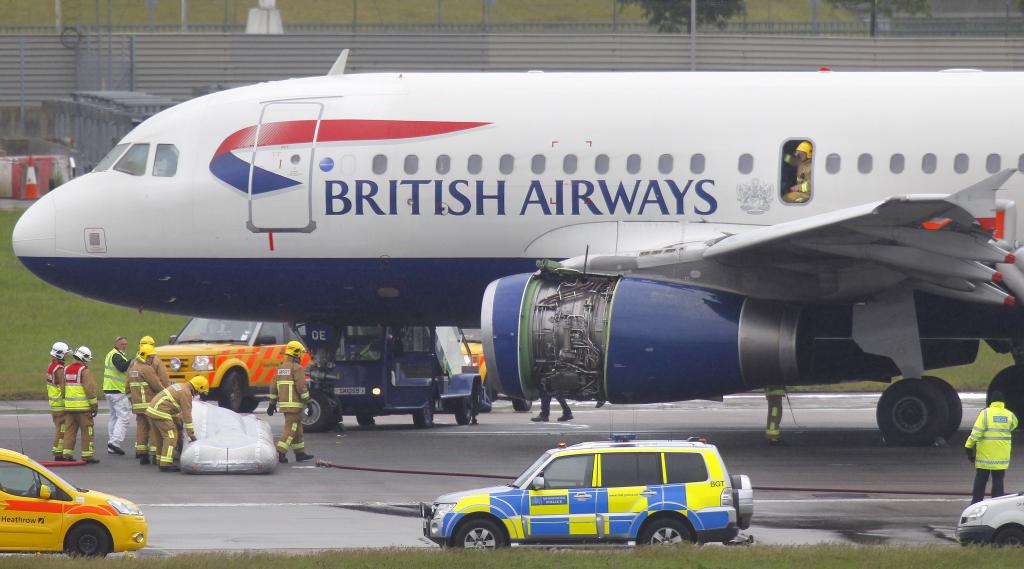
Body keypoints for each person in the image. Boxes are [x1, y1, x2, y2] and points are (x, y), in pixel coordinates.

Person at [146, 376, 208, 472]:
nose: (198, 394)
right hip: (161, 411)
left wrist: (177, 422)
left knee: (160, 436)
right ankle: (166, 464)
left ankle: (160, 460)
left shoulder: (181, 386)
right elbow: (187, 415)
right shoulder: (186, 393)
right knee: (171, 435)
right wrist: (191, 434)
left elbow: (172, 406)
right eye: (200, 392)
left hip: (152, 410)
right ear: (198, 388)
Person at [966, 391, 1019, 504]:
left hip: (985, 456)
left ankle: (976, 504)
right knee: (998, 482)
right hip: (1001, 457)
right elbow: (1014, 425)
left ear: (991, 401)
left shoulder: (985, 414)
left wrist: (968, 446)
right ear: (1003, 402)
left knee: (981, 480)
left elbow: (976, 432)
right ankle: (996, 505)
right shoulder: (1009, 415)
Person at [267, 340, 314, 463]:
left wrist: (271, 404)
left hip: (285, 406)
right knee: (291, 429)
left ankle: (300, 453)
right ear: (296, 353)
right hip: (295, 406)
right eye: (301, 353)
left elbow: (273, 386)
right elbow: (301, 387)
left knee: (298, 430)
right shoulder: (297, 368)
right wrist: (308, 401)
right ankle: (280, 452)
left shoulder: (280, 368)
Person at [127, 344, 164, 465]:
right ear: (145, 356)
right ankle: (154, 454)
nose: (152, 359)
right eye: (150, 357)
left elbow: (126, 387)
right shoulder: (147, 369)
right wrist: (165, 393)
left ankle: (142, 454)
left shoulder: (132, 368)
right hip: (149, 404)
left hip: (137, 405)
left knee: (141, 429)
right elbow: (156, 385)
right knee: (154, 429)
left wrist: (132, 399)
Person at [62, 346, 99, 463]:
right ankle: (87, 455)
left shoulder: (66, 369)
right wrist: (94, 406)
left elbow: (62, 388)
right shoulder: (84, 371)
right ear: (84, 358)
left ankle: (67, 454)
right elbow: (90, 390)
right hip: (83, 409)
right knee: (87, 431)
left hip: (69, 408)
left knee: (69, 431)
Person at [103, 336, 132, 455]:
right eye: (122, 344)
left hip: (109, 390)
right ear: (117, 344)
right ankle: (115, 443)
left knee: (114, 417)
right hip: (117, 391)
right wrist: (133, 360)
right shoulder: (116, 355)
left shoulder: (112, 354)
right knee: (124, 417)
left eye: (126, 344)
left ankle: (111, 445)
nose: (124, 346)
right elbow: (122, 367)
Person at [46, 341, 70, 461]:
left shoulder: (51, 366)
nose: (67, 356)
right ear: (60, 355)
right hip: (60, 404)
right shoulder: (59, 369)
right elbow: (63, 387)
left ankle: (58, 452)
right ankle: (58, 454)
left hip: (53, 404)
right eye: (66, 354)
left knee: (59, 428)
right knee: (61, 430)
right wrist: (68, 400)